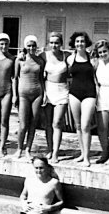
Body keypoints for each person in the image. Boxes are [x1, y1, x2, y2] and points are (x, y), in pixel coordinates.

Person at [40, 32, 71, 163]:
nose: (54, 45)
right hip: (48, 89)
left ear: (61, 43)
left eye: (57, 42)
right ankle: (50, 149)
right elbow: (31, 60)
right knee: (48, 124)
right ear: (48, 43)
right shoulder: (43, 55)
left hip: (62, 90)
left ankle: (56, 153)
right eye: (51, 42)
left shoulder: (67, 56)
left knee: (57, 123)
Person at [13, 35, 45, 160]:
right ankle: (19, 148)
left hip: (37, 93)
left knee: (33, 124)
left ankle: (28, 149)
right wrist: (15, 95)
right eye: (29, 45)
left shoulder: (40, 61)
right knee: (23, 124)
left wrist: (44, 94)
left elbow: (41, 78)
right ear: (25, 46)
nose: (31, 48)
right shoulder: (20, 60)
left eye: (33, 46)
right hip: (23, 95)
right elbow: (15, 78)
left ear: (36, 47)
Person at [67, 32, 96, 167]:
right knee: (78, 126)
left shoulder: (92, 58)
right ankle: (82, 153)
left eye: (82, 41)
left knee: (85, 125)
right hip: (74, 93)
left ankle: (87, 157)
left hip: (89, 93)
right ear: (74, 43)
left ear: (86, 43)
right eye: (77, 41)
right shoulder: (70, 58)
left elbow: (97, 77)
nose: (80, 44)